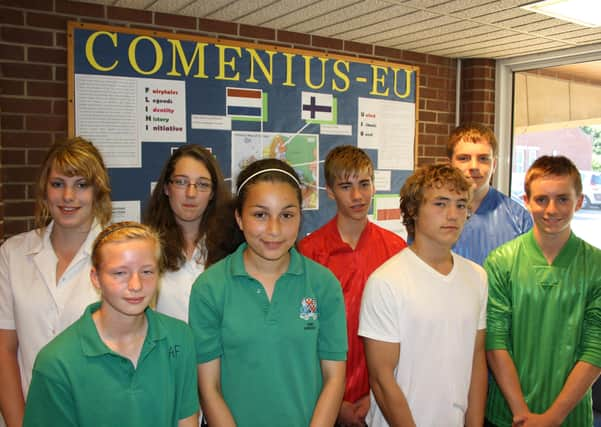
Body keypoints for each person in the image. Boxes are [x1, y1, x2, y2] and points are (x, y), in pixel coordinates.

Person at [188, 158, 348, 427]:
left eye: (286, 215)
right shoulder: (210, 288)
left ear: (299, 217)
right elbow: (209, 386)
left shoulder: (323, 284)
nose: (274, 230)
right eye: (260, 215)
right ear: (239, 218)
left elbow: (334, 377)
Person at [23, 222, 199, 426]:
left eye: (147, 272)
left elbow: (186, 419)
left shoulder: (179, 337)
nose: (136, 285)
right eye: (120, 273)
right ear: (96, 278)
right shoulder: (57, 362)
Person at [359, 164, 488, 427]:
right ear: (412, 210)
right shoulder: (386, 282)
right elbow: (382, 380)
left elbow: (476, 359)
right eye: (440, 204)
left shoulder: (477, 277)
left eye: (461, 205)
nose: (453, 214)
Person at [0, 137, 112, 427]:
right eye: (58, 183)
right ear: (44, 189)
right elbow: (4, 349)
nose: (68, 197)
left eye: (81, 185)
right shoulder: (13, 253)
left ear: (97, 191)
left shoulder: (120, 256)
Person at [485, 155, 601, 427]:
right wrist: (520, 413)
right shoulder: (501, 261)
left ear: (579, 201)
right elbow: (495, 341)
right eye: (541, 199)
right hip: (506, 415)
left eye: (562, 199)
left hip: (570, 418)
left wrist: (552, 418)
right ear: (526, 201)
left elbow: (596, 347)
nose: (551, 209)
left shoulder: (596, 266)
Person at [298, 145, 406, 426]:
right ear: (330, 191)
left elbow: (404, 329)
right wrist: (335, 401)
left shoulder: (396, 249)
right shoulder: (310, 252)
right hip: (325, 398)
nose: (358, 196)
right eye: (346, 187)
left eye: (364, 184)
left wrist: (378, 392)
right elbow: (305, 331)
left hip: (383, 394)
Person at [144, 144, 230, 322]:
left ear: (213, 192)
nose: (191, 193)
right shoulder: (146, 247)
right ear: (167, 188)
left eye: (202, 184)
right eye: (182, 182)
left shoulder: (231, 246)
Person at [449, 123, 532, 265]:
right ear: (450, 164)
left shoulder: (519, 219)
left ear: (494, 165)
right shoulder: (430, 214)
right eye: (464, 158)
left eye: (483, 159)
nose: (473, 166)